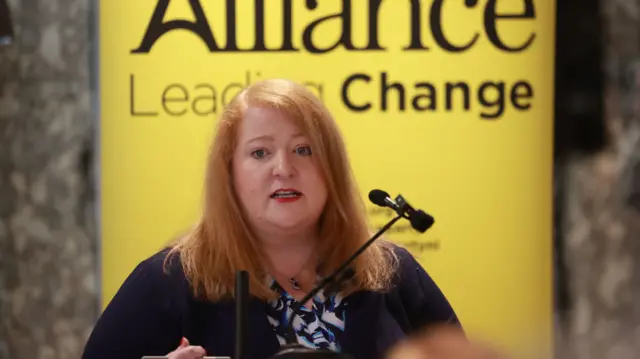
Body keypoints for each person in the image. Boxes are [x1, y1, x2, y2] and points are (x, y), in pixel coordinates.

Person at [81, 79, 460, 359]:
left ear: (332, 170)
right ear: (229, 174)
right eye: (260, 153)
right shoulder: (169, 281)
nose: (284, 168)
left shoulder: (391, 272)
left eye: (303, 149)